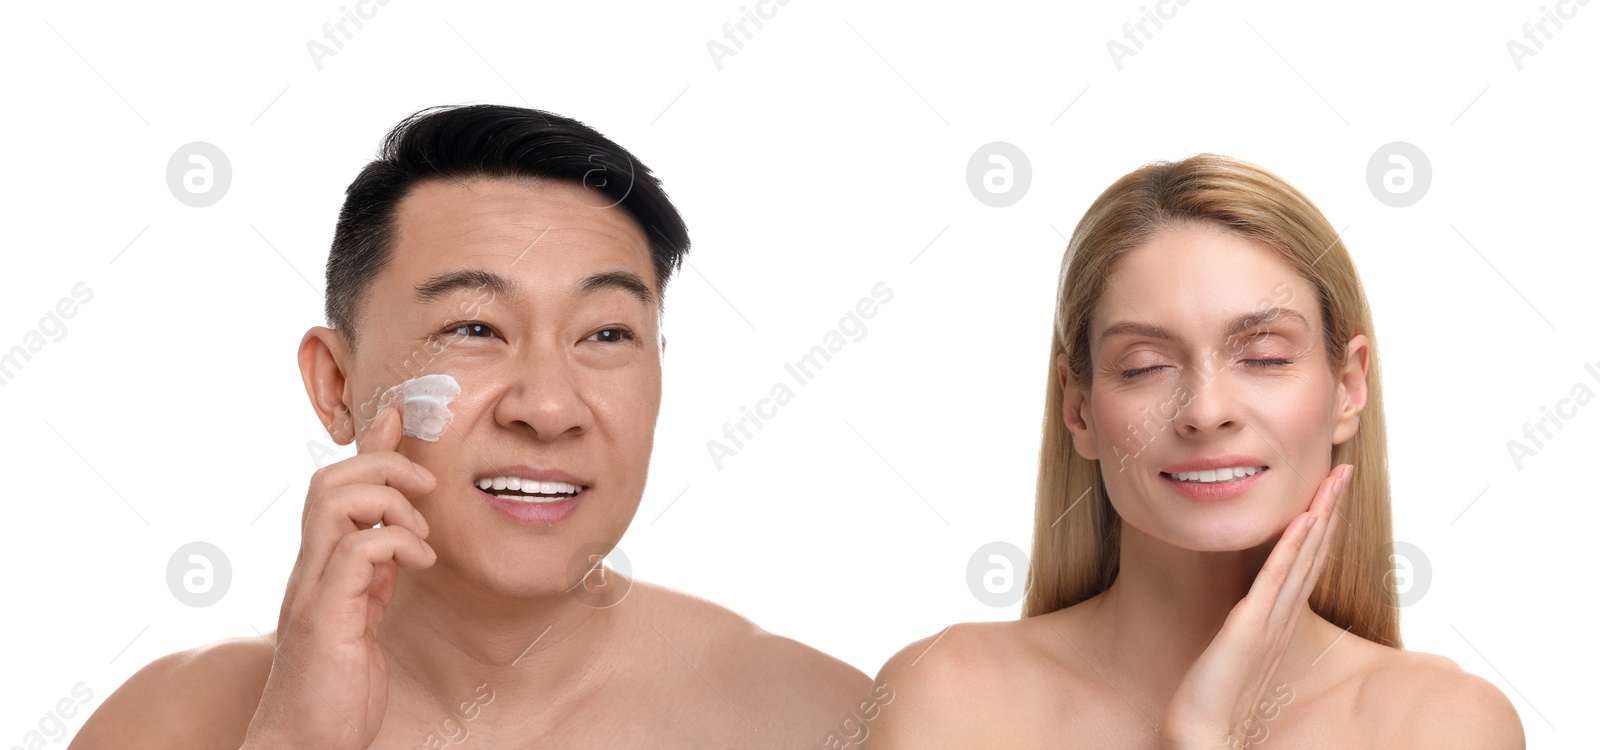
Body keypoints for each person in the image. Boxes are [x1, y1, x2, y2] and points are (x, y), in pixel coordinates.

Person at [70, 104, 867, 749]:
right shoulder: (165, 727)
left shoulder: (826, 723)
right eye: (476, 328)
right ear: (337, 384)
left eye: (606, 334)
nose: (549, 408)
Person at [864, 154, 1525, 749]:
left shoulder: (1439, 724)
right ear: (1079, 408)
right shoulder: (949, 701)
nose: (1206, 412)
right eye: (1145, 366)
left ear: (1348, 389)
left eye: (1263, 357)